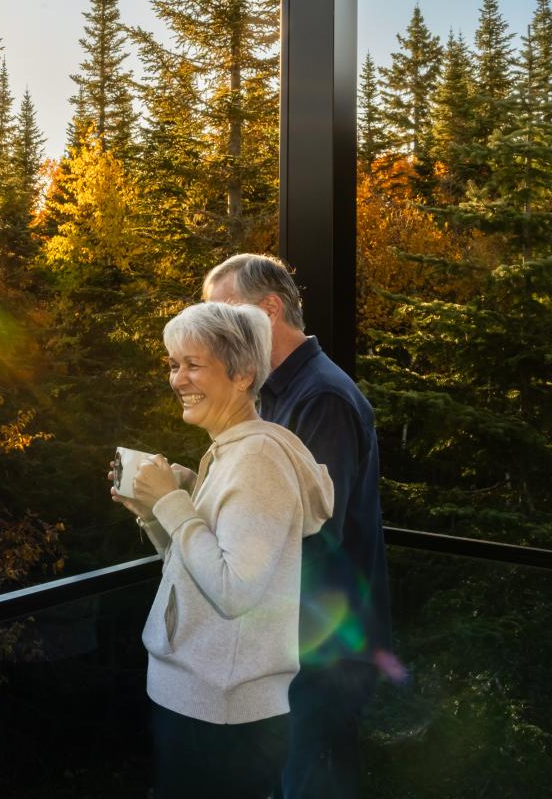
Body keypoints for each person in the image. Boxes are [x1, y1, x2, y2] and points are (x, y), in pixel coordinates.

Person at [111, 301, 334, 799]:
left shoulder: (256, 456)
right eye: (173, 365)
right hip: (201, 704)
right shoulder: (229, 451)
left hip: (220, 716)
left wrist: (171, 500)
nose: (178, 380)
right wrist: (152, 510)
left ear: (242, 375)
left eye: (193, 365)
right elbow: (191, 567)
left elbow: (234, 591)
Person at [203, 253, 393, 799]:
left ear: (270, 308)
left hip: (324, 651)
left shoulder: (322, 398)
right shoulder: (272, 396)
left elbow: (315, 530)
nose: (217, 332)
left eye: (226, 314)